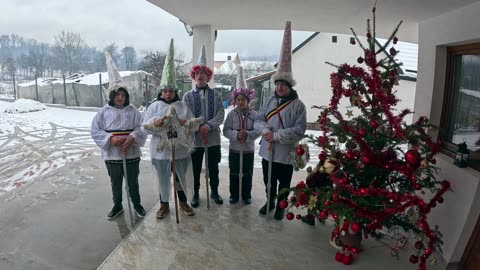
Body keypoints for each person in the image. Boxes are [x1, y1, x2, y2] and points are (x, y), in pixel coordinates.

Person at [254, 21, 307, 220]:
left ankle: (281, 205)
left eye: (282, 84)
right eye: (277, 84)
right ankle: (270, 201)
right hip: (267, 151)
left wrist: (276, 135)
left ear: (289, 85)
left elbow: (300, 129)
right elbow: (258, 119)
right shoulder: (269, 100)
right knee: (269, 181)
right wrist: (264, 130)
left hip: (285, 152)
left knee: (284, 182)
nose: (279, 87)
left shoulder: (298, 105)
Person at [143, 39, 198, 219]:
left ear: (176, 92)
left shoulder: (182, 106)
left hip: (179, 150)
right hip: (161, 151)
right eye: (165, 91)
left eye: (171, 91)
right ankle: (164, 204)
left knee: (179, 177)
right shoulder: (154, 106)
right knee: (163, 179)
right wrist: (156, 123)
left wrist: (185, 124)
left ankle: (182, 202)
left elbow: (192, 124)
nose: (168, 94)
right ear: (161, 91)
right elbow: (146, 126)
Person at [91, 52, 147, 220]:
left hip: (131, 154)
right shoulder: (104, 112)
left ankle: (136, 203)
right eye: (117, 95)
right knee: (116, 182)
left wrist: (132, 138)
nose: (120, 98)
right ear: (112, 96)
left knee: (132, 182)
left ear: (126, 96)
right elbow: (95, 130)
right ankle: (117, 205)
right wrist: (110, 139)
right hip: (113, 155)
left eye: (123, 95)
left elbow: (142, 127)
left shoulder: (133, 111)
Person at [183, 45, 225, 208]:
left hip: (212, 139)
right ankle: (195, 193)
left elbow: (220, 113)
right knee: (194, 168)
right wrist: (197, 126)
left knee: (213, 167)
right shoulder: (187, 96)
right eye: (198, 73)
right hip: (195, 140)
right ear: (194, 76)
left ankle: (214, 191)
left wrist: (209, 125)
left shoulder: (216, 95)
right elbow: (186, 116)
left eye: (204, 73)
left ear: (209, 77)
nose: (201, 76)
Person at [223, 66, 260, 204]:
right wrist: (236, 135)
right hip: (234, 150)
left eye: (243, 99)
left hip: (248, 150)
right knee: (234, 173)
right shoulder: (231, 115)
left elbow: (258, 130)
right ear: (234, 101)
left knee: (247, 174)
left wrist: (248, 135)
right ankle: (234, 194)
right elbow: (226, 130)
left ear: (248, 100)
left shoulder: (254, 115)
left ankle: (246, 195)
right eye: (238, 99)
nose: (240, 102)